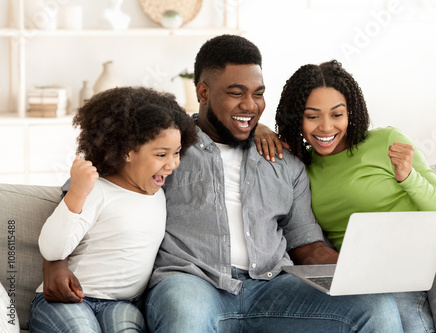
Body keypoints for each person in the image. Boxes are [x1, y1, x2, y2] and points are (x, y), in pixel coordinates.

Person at [42, 35, 404, 332]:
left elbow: (307, 247)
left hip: (272, 286)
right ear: (202, 92)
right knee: (184, 316)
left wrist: (363, 271)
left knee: (377, 309)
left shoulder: (283, 160)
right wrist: (53, 262)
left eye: (258, 93)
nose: (250, 105)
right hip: (191, 282)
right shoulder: (165, 143)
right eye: (236, 93)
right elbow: (83, 192)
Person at [256, 59, 436, 332]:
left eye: (337, 114)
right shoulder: (299, 168)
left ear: (351, 113)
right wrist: (259, 129)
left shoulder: (386, 140)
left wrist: (408, 176)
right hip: (383, 276)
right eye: (312, 116)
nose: (325, 127)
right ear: (296, 116)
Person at [29, 86, 198, 332]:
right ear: (127, 152)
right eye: (161, 154)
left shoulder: (162, 194)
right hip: (69, 300)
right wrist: (77, 191)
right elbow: (53, 249)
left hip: (121, 304)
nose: (172, 164)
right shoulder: (97, 190)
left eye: (177, 152)